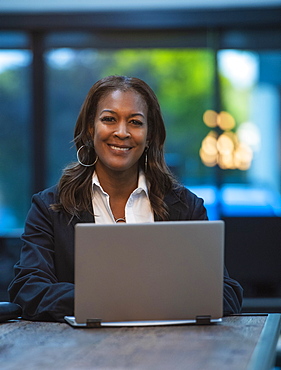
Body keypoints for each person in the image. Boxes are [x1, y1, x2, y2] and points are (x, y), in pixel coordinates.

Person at [8, 75, 243, 322]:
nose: (121, 132)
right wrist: (109, 300)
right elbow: (27, 290)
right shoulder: (50, 207)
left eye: (135, 122)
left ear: (149, 134)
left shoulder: (186, 206)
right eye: (109, 119)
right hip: (78, 354)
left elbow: (226, 294)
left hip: (169, 350)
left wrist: (127, 299)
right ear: (91, 129)